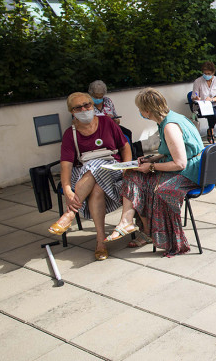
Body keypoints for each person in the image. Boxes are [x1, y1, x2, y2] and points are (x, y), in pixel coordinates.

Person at [105, 88, 204, 257]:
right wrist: (152, 159)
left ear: (147, 110)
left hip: (190, 172)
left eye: (140, 109)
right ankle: (129, 223)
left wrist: (151, 167)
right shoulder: (171, 117)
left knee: (146, 184)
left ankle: (146, 231)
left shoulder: (170, 127)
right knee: (133, 175)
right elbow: (173, 150)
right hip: (193, 165)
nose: (139, 112)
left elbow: (179, 163)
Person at [47, 92, 132, 261]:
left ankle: (71, 213)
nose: (84, 109)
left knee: (97, 165)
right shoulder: (69, 134)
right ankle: (101, 242)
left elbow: (125, 147)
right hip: (84, 175)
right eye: (78, 107)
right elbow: (66, 164)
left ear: (93, 106)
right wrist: (66, 188)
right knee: (97, 188)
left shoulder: (107, 122)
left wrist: (126, 168)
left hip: (113, 168)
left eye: (87, 105)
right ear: (72, 111)